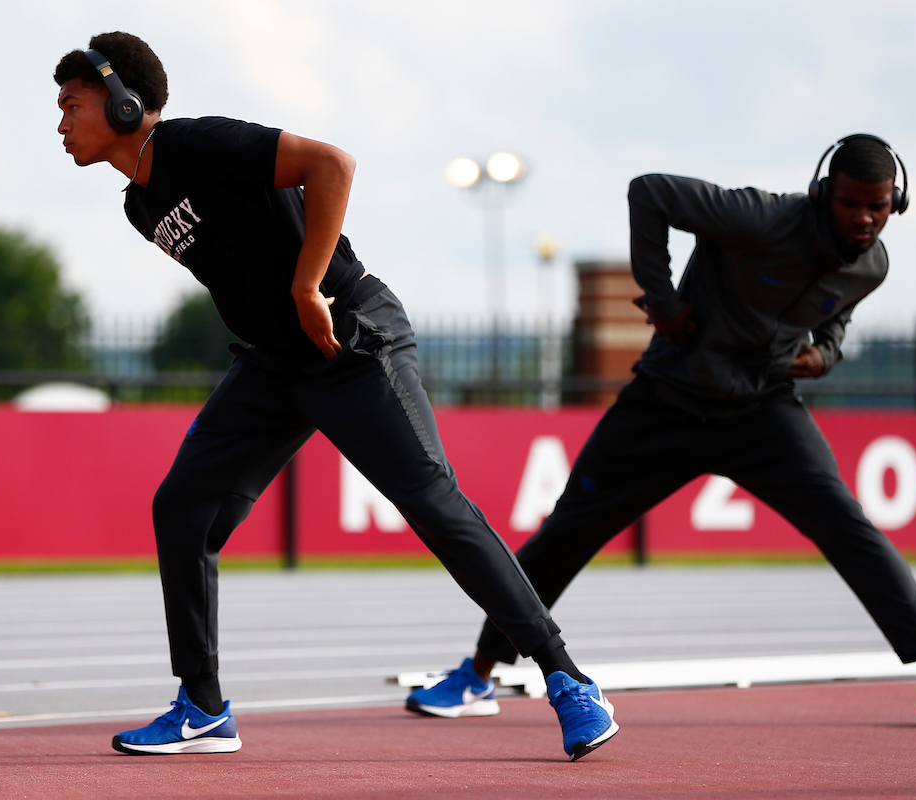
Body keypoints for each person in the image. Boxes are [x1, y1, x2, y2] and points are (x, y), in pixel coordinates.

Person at [53, 31, 617, 760]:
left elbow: (331, 164)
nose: (61, 123)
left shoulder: (200, 143)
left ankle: (568, 679)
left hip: (349, 341)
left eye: (71, 104)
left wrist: (306, 284)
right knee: (182, 507)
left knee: (433, 505)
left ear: (124, 104)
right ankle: (202, 706)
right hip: (274, 367)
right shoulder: (138, 207)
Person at [407, 135, 916, 728]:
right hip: (668, 400)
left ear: (896, 204)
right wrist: (662, 299)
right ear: (823, 193)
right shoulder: (761, 216)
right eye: (851, 203)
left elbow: (836, 315)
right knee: (566, 533)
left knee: (847, 525)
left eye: (878, 207)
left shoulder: (873, 264)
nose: (864, 218)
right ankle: (478, 674)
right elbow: (649, 193)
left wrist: (826, 355)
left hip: (762, 412)